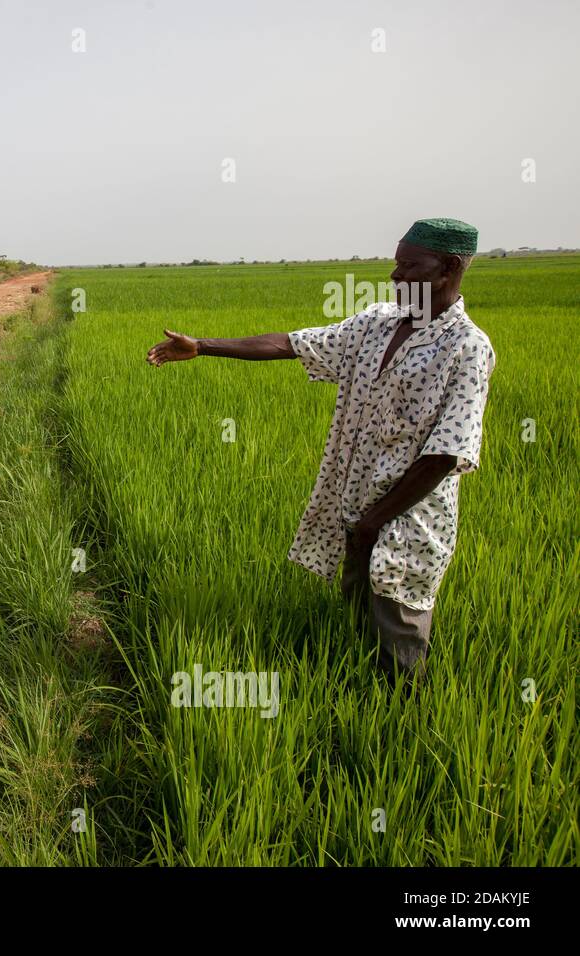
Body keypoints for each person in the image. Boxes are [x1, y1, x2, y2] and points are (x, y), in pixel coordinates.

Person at [147, 219, 495, 679]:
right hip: (355, 511)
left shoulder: (467, 347)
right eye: (396, 264)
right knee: (355, 625)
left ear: (449, 267)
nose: (394, 276)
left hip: (407, 521)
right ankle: (353, 710)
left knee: (397, 635)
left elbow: (445, 454)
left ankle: (404, 723)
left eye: (408, 265)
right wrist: (203, 346)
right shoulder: (376, 323)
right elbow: (290, 344)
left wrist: (375, 521)